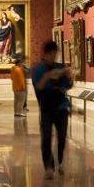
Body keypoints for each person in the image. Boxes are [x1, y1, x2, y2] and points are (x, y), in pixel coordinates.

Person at [32, 40, 73, 179]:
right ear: (45, 54)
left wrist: (69, 78)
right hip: (46, 108)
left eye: (55, 54)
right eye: (50, 54)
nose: (53, 57)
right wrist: (47, 76)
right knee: (46, 138)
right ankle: (48, 167)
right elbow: (38, 88)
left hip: (61, 107)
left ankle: (59, 162)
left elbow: (67, 86)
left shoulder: (60, 67)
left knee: (62, 137)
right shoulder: (38, 70)